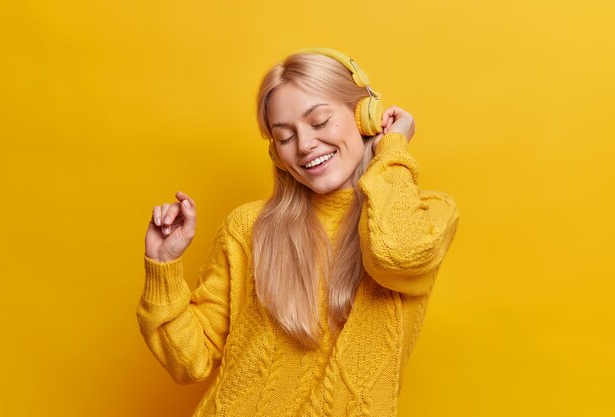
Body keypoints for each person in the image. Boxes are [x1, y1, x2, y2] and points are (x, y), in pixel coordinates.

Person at [137, 48, 459, 417]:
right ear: (277, 153)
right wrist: (163, 267)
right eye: (285, 136)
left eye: (320, 121)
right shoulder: (248, 227)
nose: (304, 145)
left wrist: (391, 148)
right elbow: (189, 361)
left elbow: (396, 253)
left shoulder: (428, 216)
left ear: (365, 117)